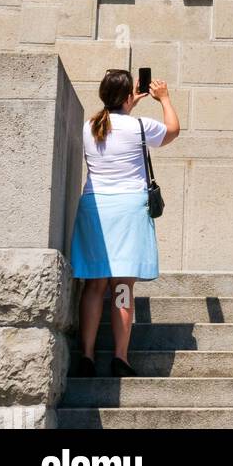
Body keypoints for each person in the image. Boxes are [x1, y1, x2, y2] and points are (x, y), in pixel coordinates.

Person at [70, 68, 180, 376]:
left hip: (95, 207)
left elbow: (111, 126)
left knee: (94, 285)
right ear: (130, 95)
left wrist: (127, 104)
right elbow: (173, 130)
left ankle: (87, 356)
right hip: (129, 210)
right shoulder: (141, 127)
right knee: (122, 287)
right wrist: (164, 98)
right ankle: (120, 357)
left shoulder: (89, 126)